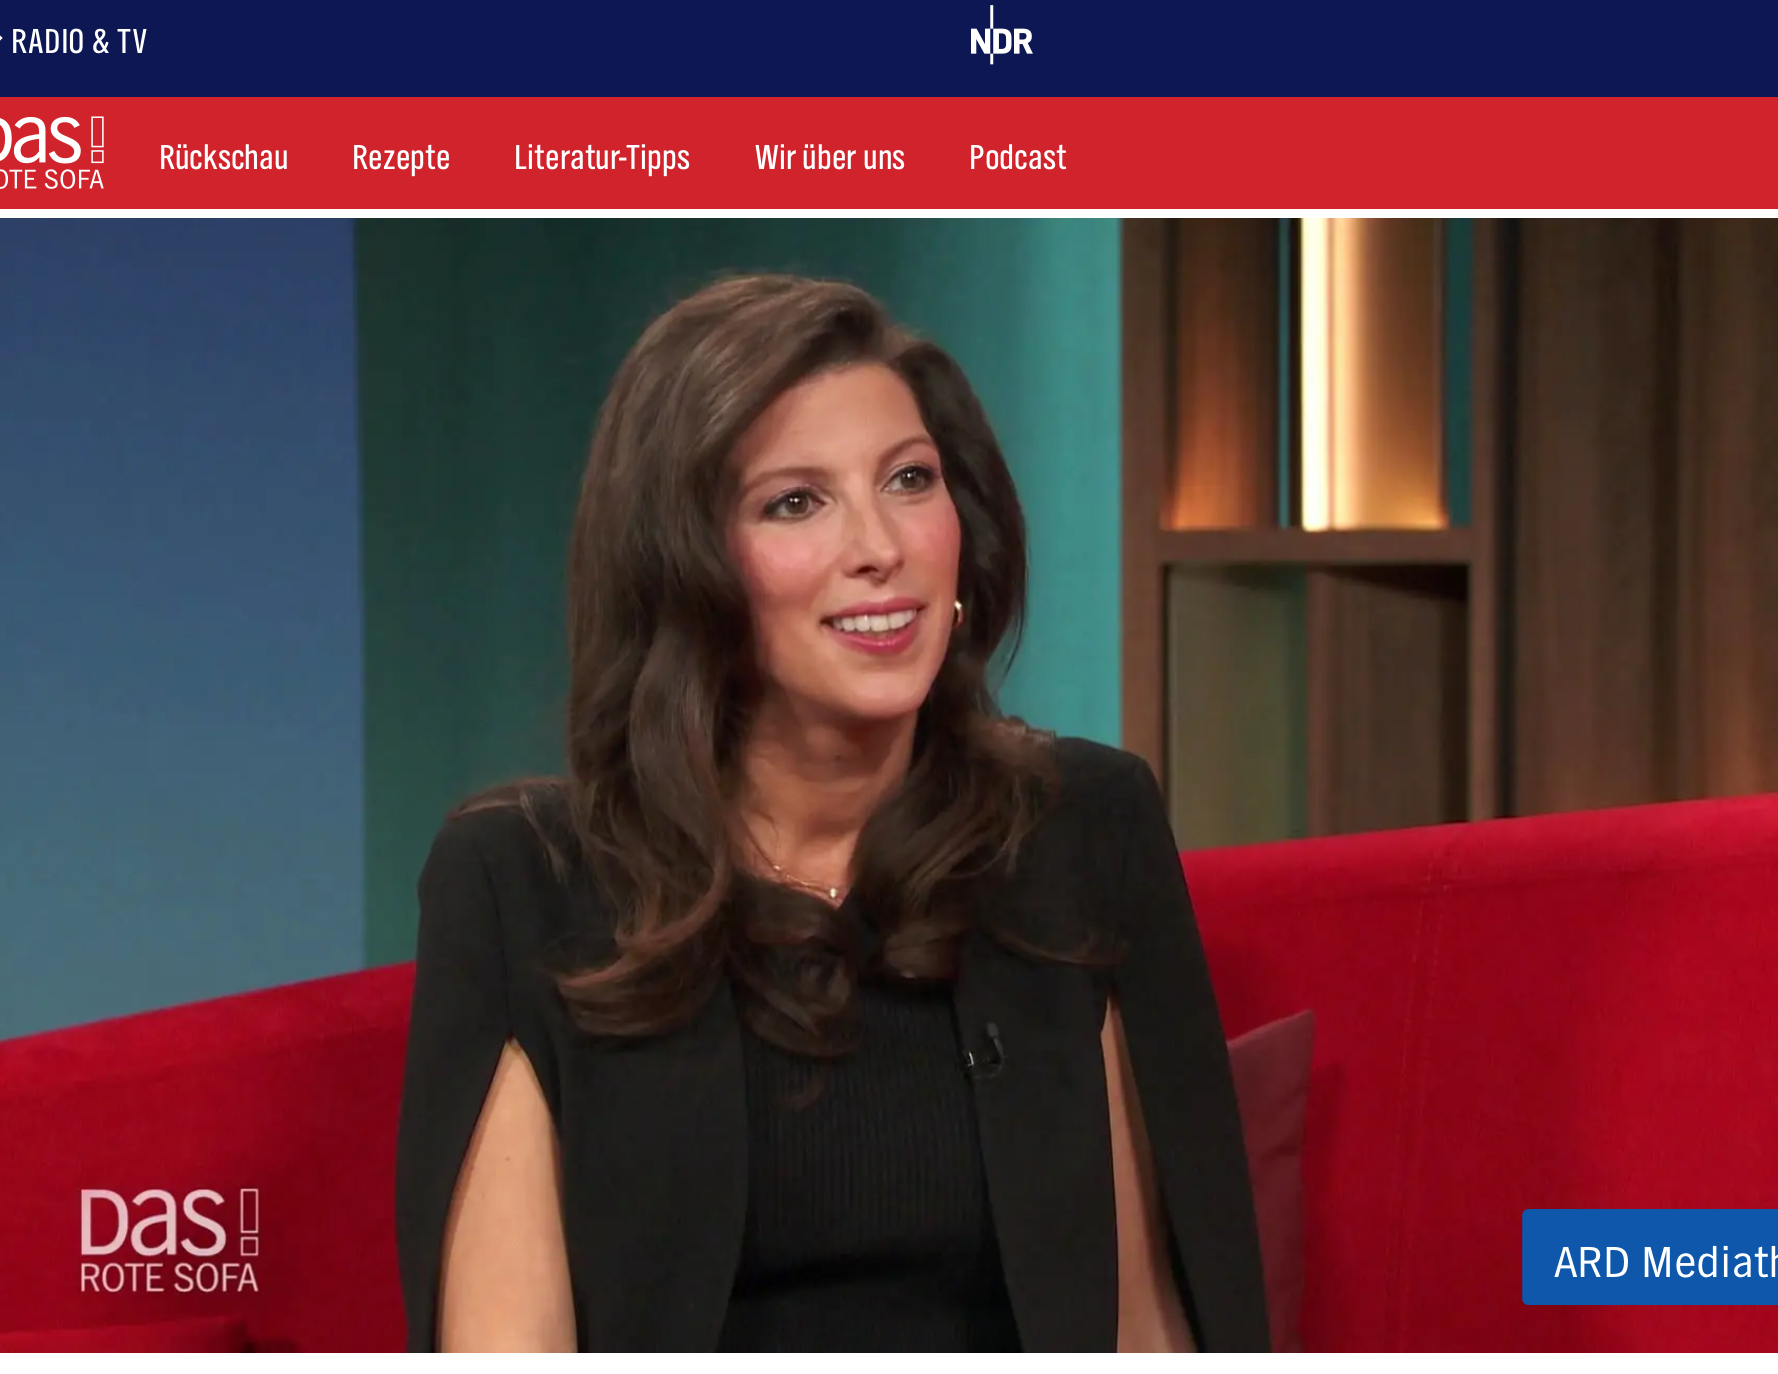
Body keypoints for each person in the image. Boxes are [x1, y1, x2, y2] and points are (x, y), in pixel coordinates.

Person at [393, 274, 1269, 1352]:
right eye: (795, 502)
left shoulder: (1077, 827)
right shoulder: (525, 884)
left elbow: (1141, 1321)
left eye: (909, 480)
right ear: (686, 566)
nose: (880, 546)